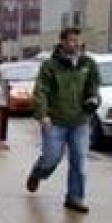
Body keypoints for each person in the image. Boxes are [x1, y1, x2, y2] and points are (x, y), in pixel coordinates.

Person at [26, 27, 101, 213]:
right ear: (62, 42)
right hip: (55, 120)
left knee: (79, 161)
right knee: (51, 158)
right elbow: (41, 91)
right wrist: (42, 114)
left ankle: (75, 198)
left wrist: (94, 100)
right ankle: (38, 172)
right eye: (71, 41)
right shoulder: (51, 66)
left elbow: (94, 88)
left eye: (78, 41)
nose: (75, 44)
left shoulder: (88, 64)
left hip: (79, 121)